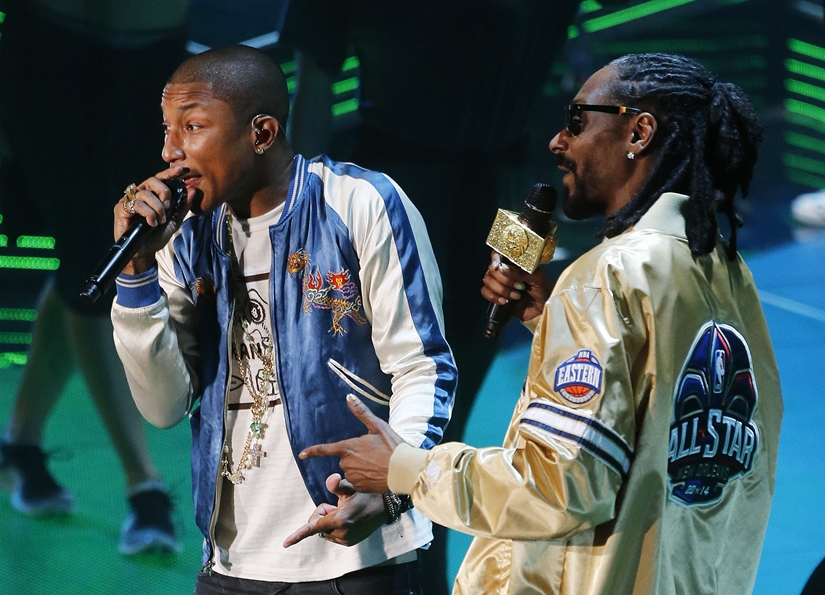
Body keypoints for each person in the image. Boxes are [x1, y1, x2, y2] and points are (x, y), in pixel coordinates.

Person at [298, 53, 784, 594]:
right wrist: (555, 321)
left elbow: (561, 487)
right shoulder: (724, 271)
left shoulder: (605, 277)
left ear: (639, 131)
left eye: (577, 121)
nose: (557, 142)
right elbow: (666, 431)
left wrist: (408, 468)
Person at [109, 45, 456, 593]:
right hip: (229, 564)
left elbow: (422, 365)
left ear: (262, 132)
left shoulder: (360, 202)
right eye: (167, 128)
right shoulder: (182, 237)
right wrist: (135, 274)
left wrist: (393, 487)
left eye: (192, 126)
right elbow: (163, 406)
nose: (169, 151)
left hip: (355, 559)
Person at [0, 0, 187, 555]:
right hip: (50, 40)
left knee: (86, 260)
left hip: (156, 49)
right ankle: (144, 484)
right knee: (95, 264)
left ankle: (21, 444)